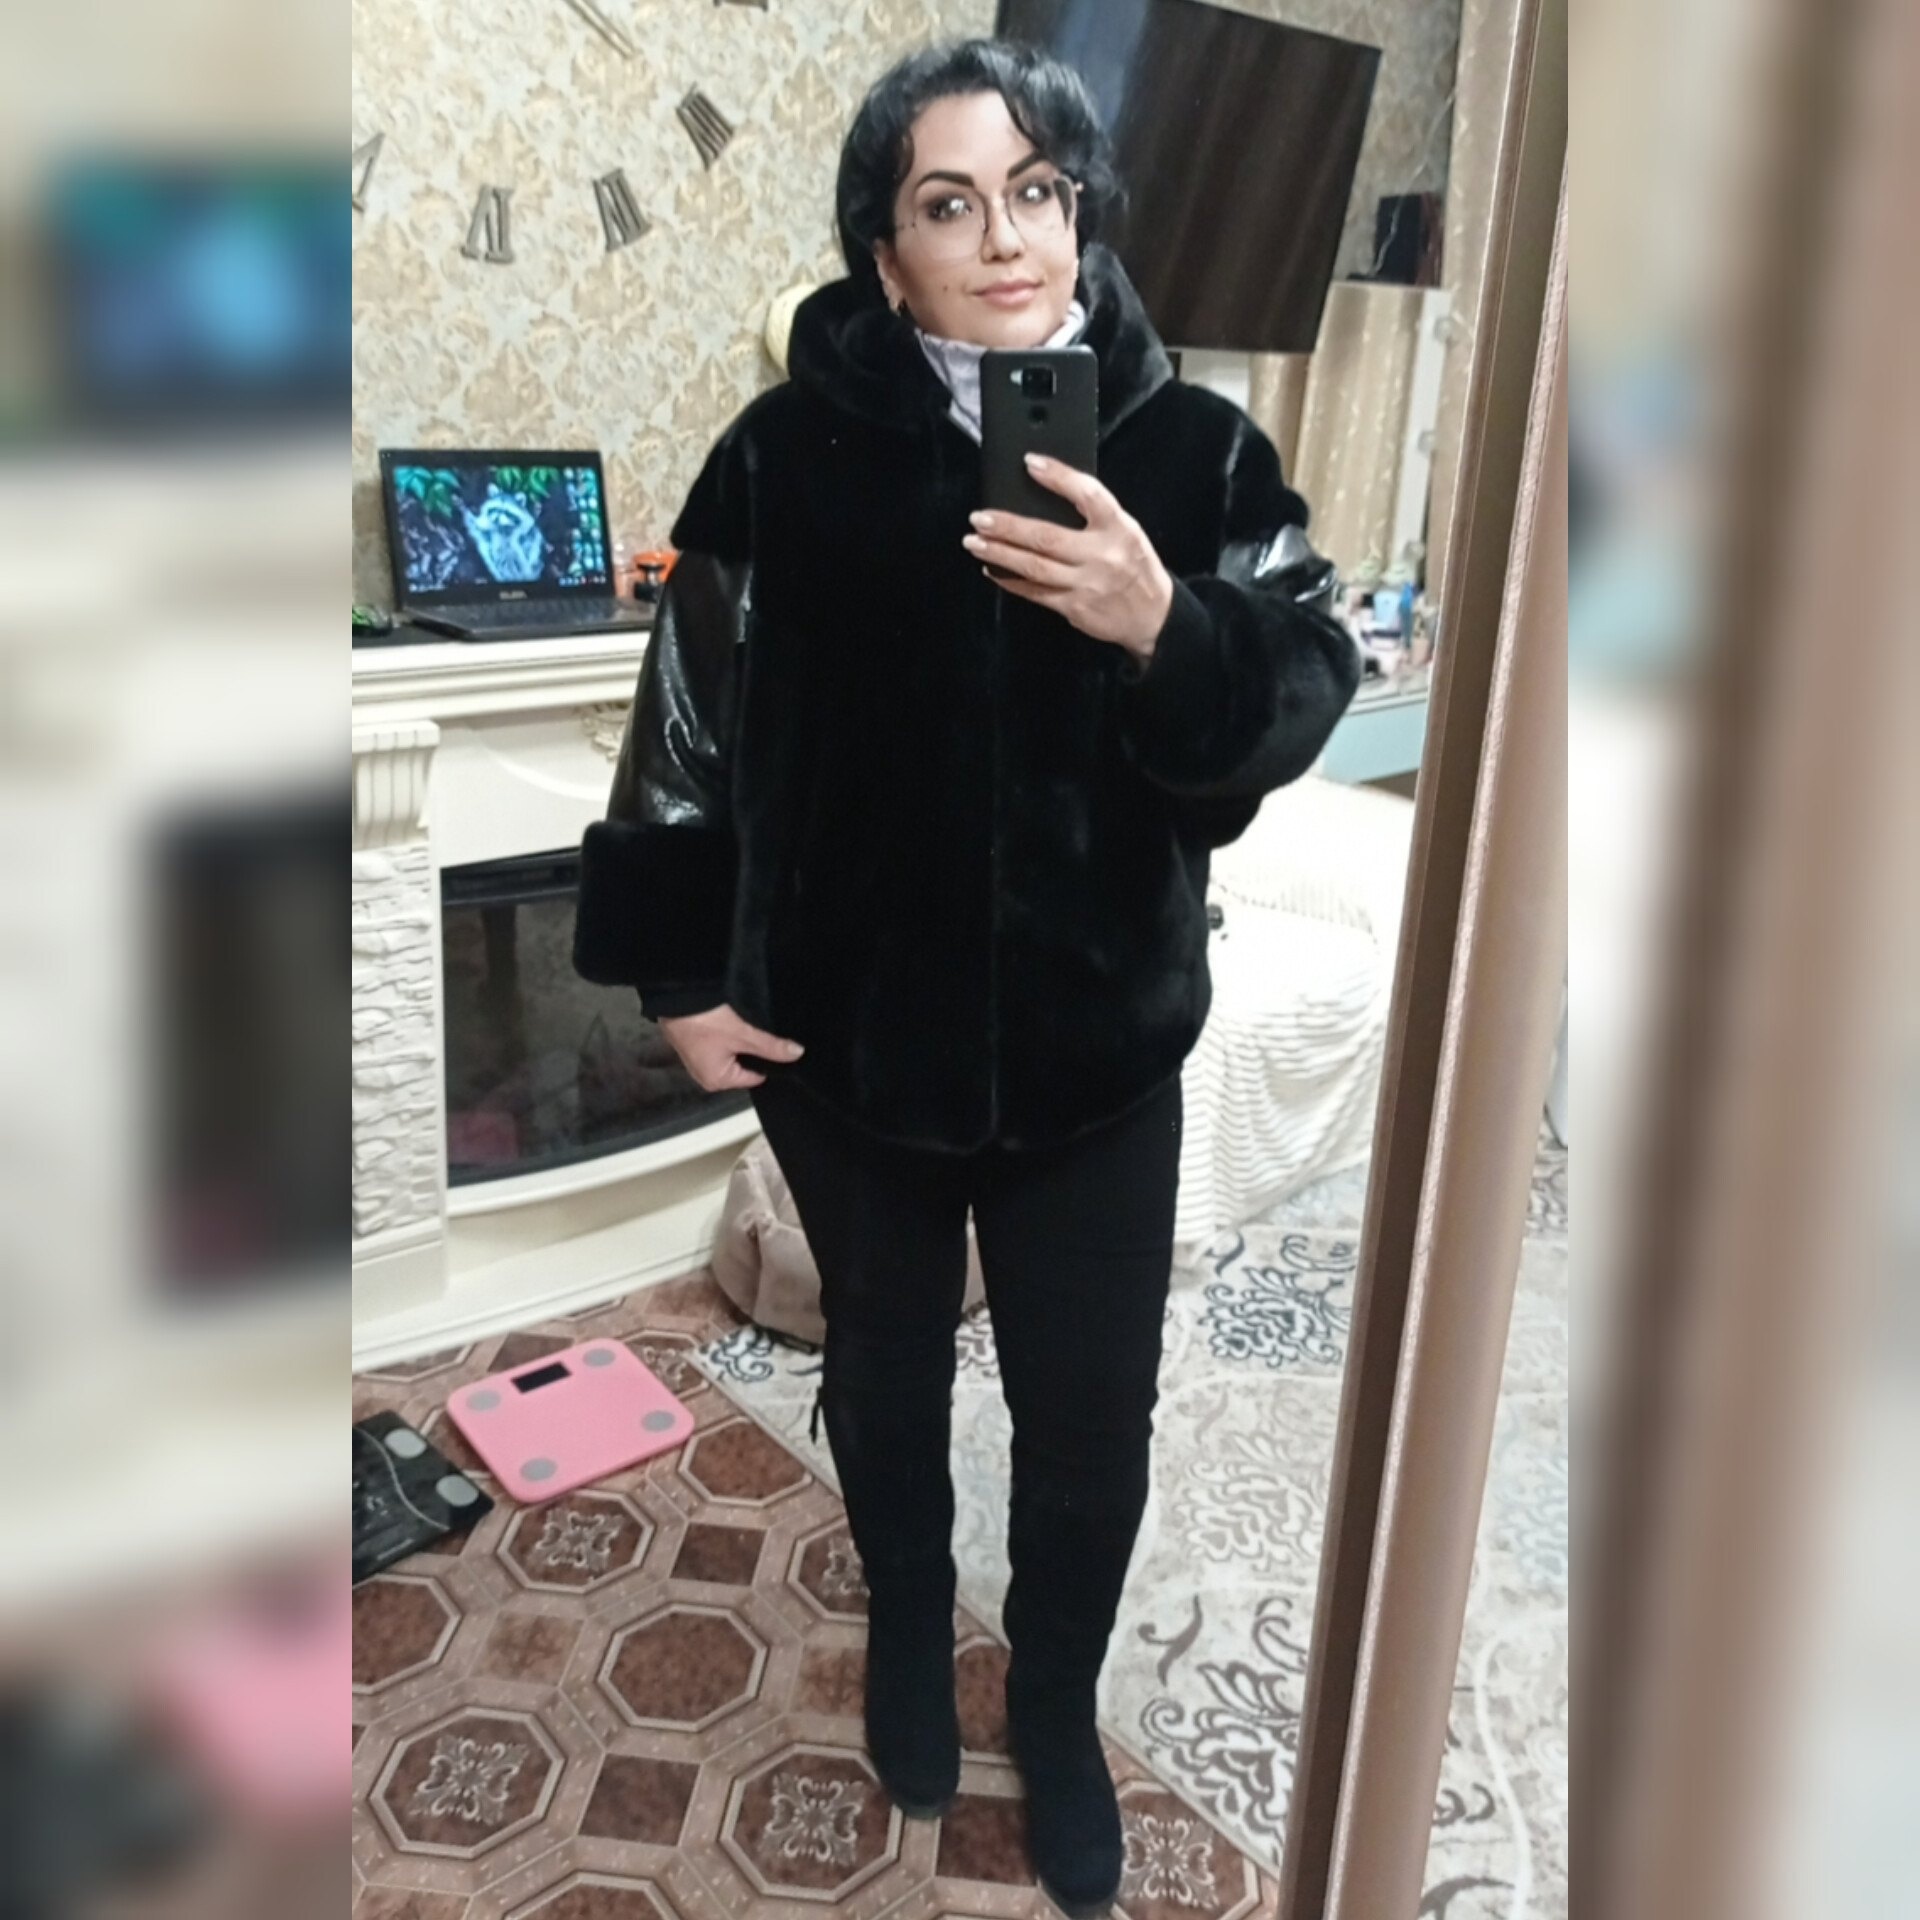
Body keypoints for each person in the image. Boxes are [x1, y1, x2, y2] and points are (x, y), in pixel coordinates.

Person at [575, 37, 1359, 1917]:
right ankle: (914, 1637)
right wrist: (676, 974)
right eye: (950, 202)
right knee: (884, 1386)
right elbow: (685, 721)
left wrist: (1168, 625)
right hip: (849, 1051)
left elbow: (1306, 667)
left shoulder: (1191, 445)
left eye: (1037, 191)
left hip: (1100, 1054)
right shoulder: (785, 454)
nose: (1005, 236)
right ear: (886, 253)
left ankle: (1060, 1711)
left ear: (1078, 217)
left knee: (1093, 1422)